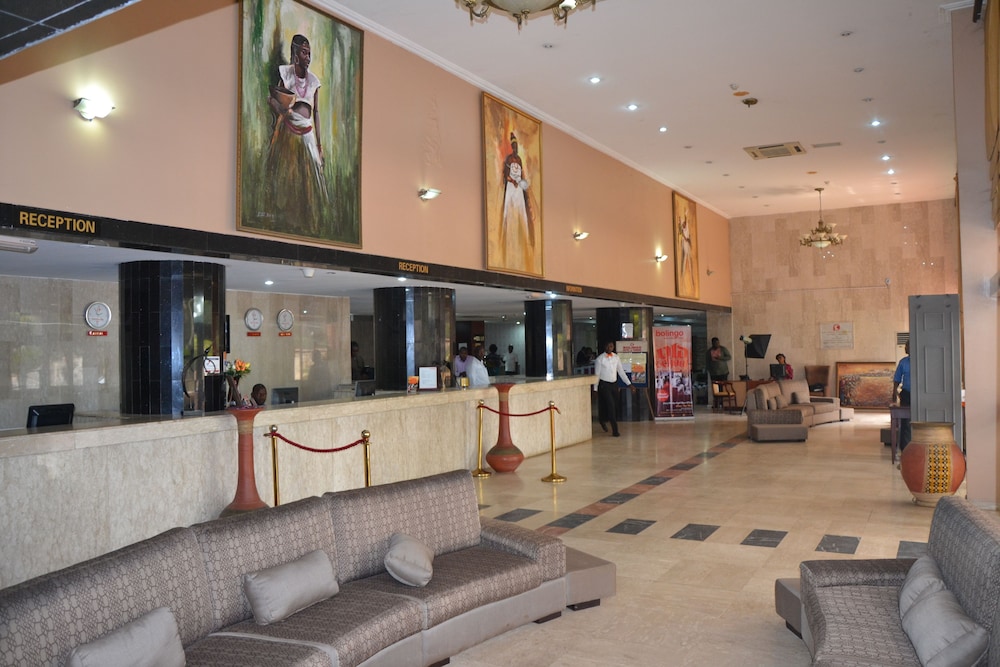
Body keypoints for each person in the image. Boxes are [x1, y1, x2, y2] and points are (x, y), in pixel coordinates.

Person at [265, 34, 329, 236]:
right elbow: (273, 98)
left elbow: (316, 112)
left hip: (307, 133)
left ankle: (314, 223)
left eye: (309, 53)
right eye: (304, 53)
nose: (307, 57)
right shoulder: (286, 75)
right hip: (289, 132)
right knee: (289, 176)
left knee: (312, 177)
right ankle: (288, 221)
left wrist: (319, 145)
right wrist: (282, 110)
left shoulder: (314, 81)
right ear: (295, 53)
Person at [500, 132, 535, 271]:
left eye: (516, 146)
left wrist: (522, 184)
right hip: (510, 186)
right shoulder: (509, 159)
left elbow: (522, 175)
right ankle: (504, 234)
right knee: (507, 210)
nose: (515, 148)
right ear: (511, 146)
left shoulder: (519, 160)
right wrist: (512, 180)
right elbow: (505, 174)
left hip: (519, 187)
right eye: (513, 146)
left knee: (522, 212)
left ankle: (526, 238)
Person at [593, 342, 636, 437]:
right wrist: (595, 389)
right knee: (610, 405)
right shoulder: (600, 359)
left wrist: (629, 384)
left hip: (614, 385)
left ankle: (602, 419)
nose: (609, 348)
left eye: (611, 346)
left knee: (614, 405)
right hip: (604, 385)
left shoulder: (616, 358)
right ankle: (615, 430)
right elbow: (597, 375)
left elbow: (621, 372)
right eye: (608, 346)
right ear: (605, 347)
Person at [892, 340, 912, 451]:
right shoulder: (903, 362)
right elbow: (897, 378)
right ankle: (904, 448)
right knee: (905, 422)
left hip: (920, 395)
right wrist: (894, 393)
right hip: (906, 395)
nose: (905, 348)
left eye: (907, 346)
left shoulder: (922, 361)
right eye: (905, 346)